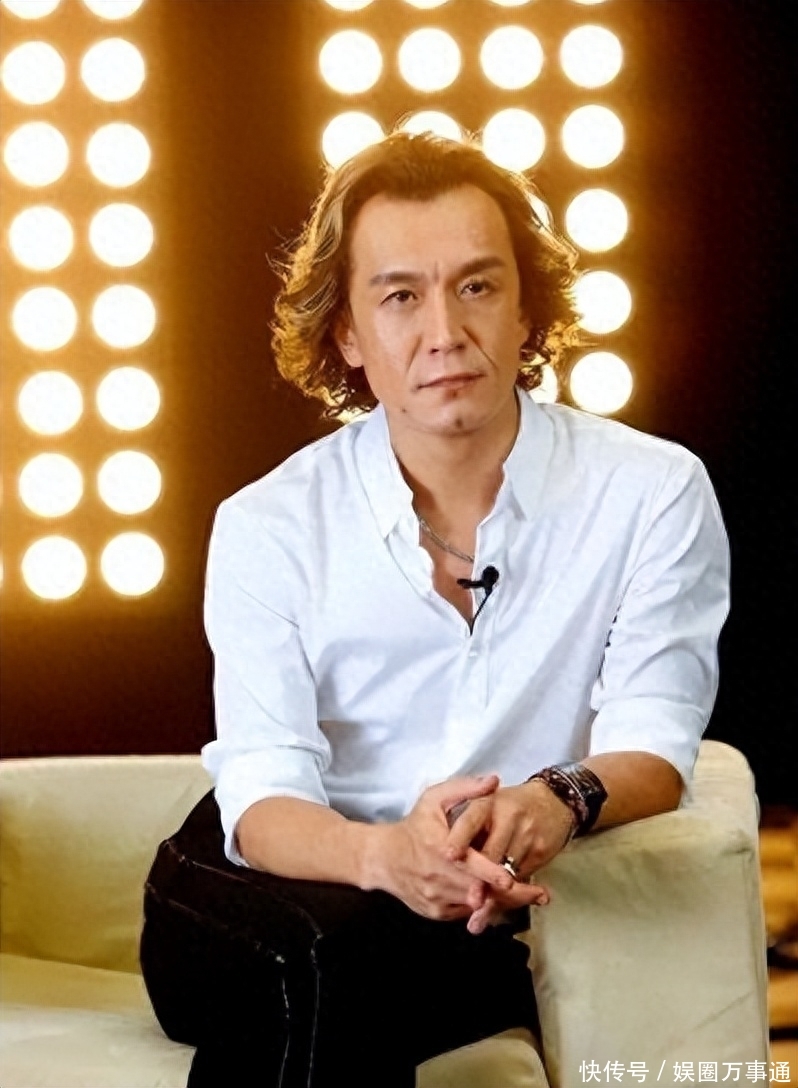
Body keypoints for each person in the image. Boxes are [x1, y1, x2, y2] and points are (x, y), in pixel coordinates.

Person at [140, 130, 730, 1087]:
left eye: (477, 285)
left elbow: (656, 742)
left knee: (364, 980)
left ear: (526, 307)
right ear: (347, 333)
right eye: (401, 296)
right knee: (330, 967)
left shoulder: (652, 492)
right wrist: (387, 859)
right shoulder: (267, 524)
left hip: (466, 903)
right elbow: (263, 796)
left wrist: (555, 798)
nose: (445, 332)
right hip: (268, 884)